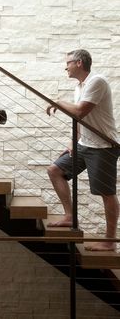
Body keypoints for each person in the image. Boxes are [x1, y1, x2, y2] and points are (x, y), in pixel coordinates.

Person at [46, 49, 119, 251]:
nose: (65, 67)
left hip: (104, 146)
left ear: (79, 63)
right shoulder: (80, 87)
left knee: (106, 192)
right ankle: (69, 216)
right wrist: (73, 141)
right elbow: (80, 118)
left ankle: (109, 241)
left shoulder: (97, 81)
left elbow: (80, 110)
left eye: (68, 63)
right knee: (54, 170)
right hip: (84, 145)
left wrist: (57, 102)